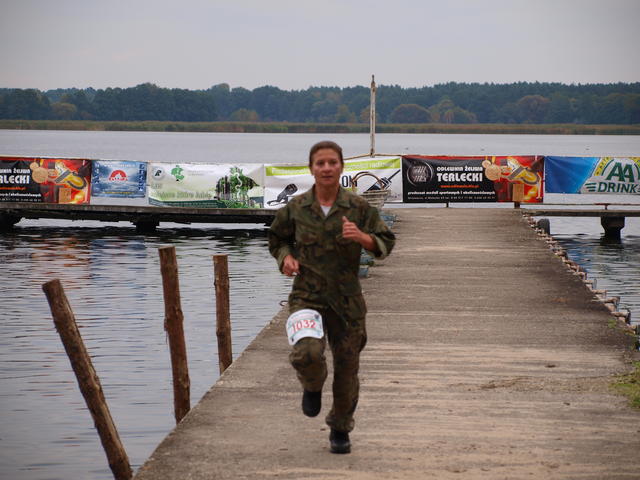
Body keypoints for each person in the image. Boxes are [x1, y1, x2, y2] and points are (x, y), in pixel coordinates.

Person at [268, 140, 395, 454]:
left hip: (346, 301)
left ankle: (340, 428)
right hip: (307, 296)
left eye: (332, 163)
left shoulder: (358, 208)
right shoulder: (296, 208)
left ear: (341, 167)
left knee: (347, 369)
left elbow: (385, 242)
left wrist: (362, 237)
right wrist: (286, 258)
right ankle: (312, 385)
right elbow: (277, 239)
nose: (326, 168)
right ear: (311, 168)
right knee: (307, 354)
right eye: (320, 163)